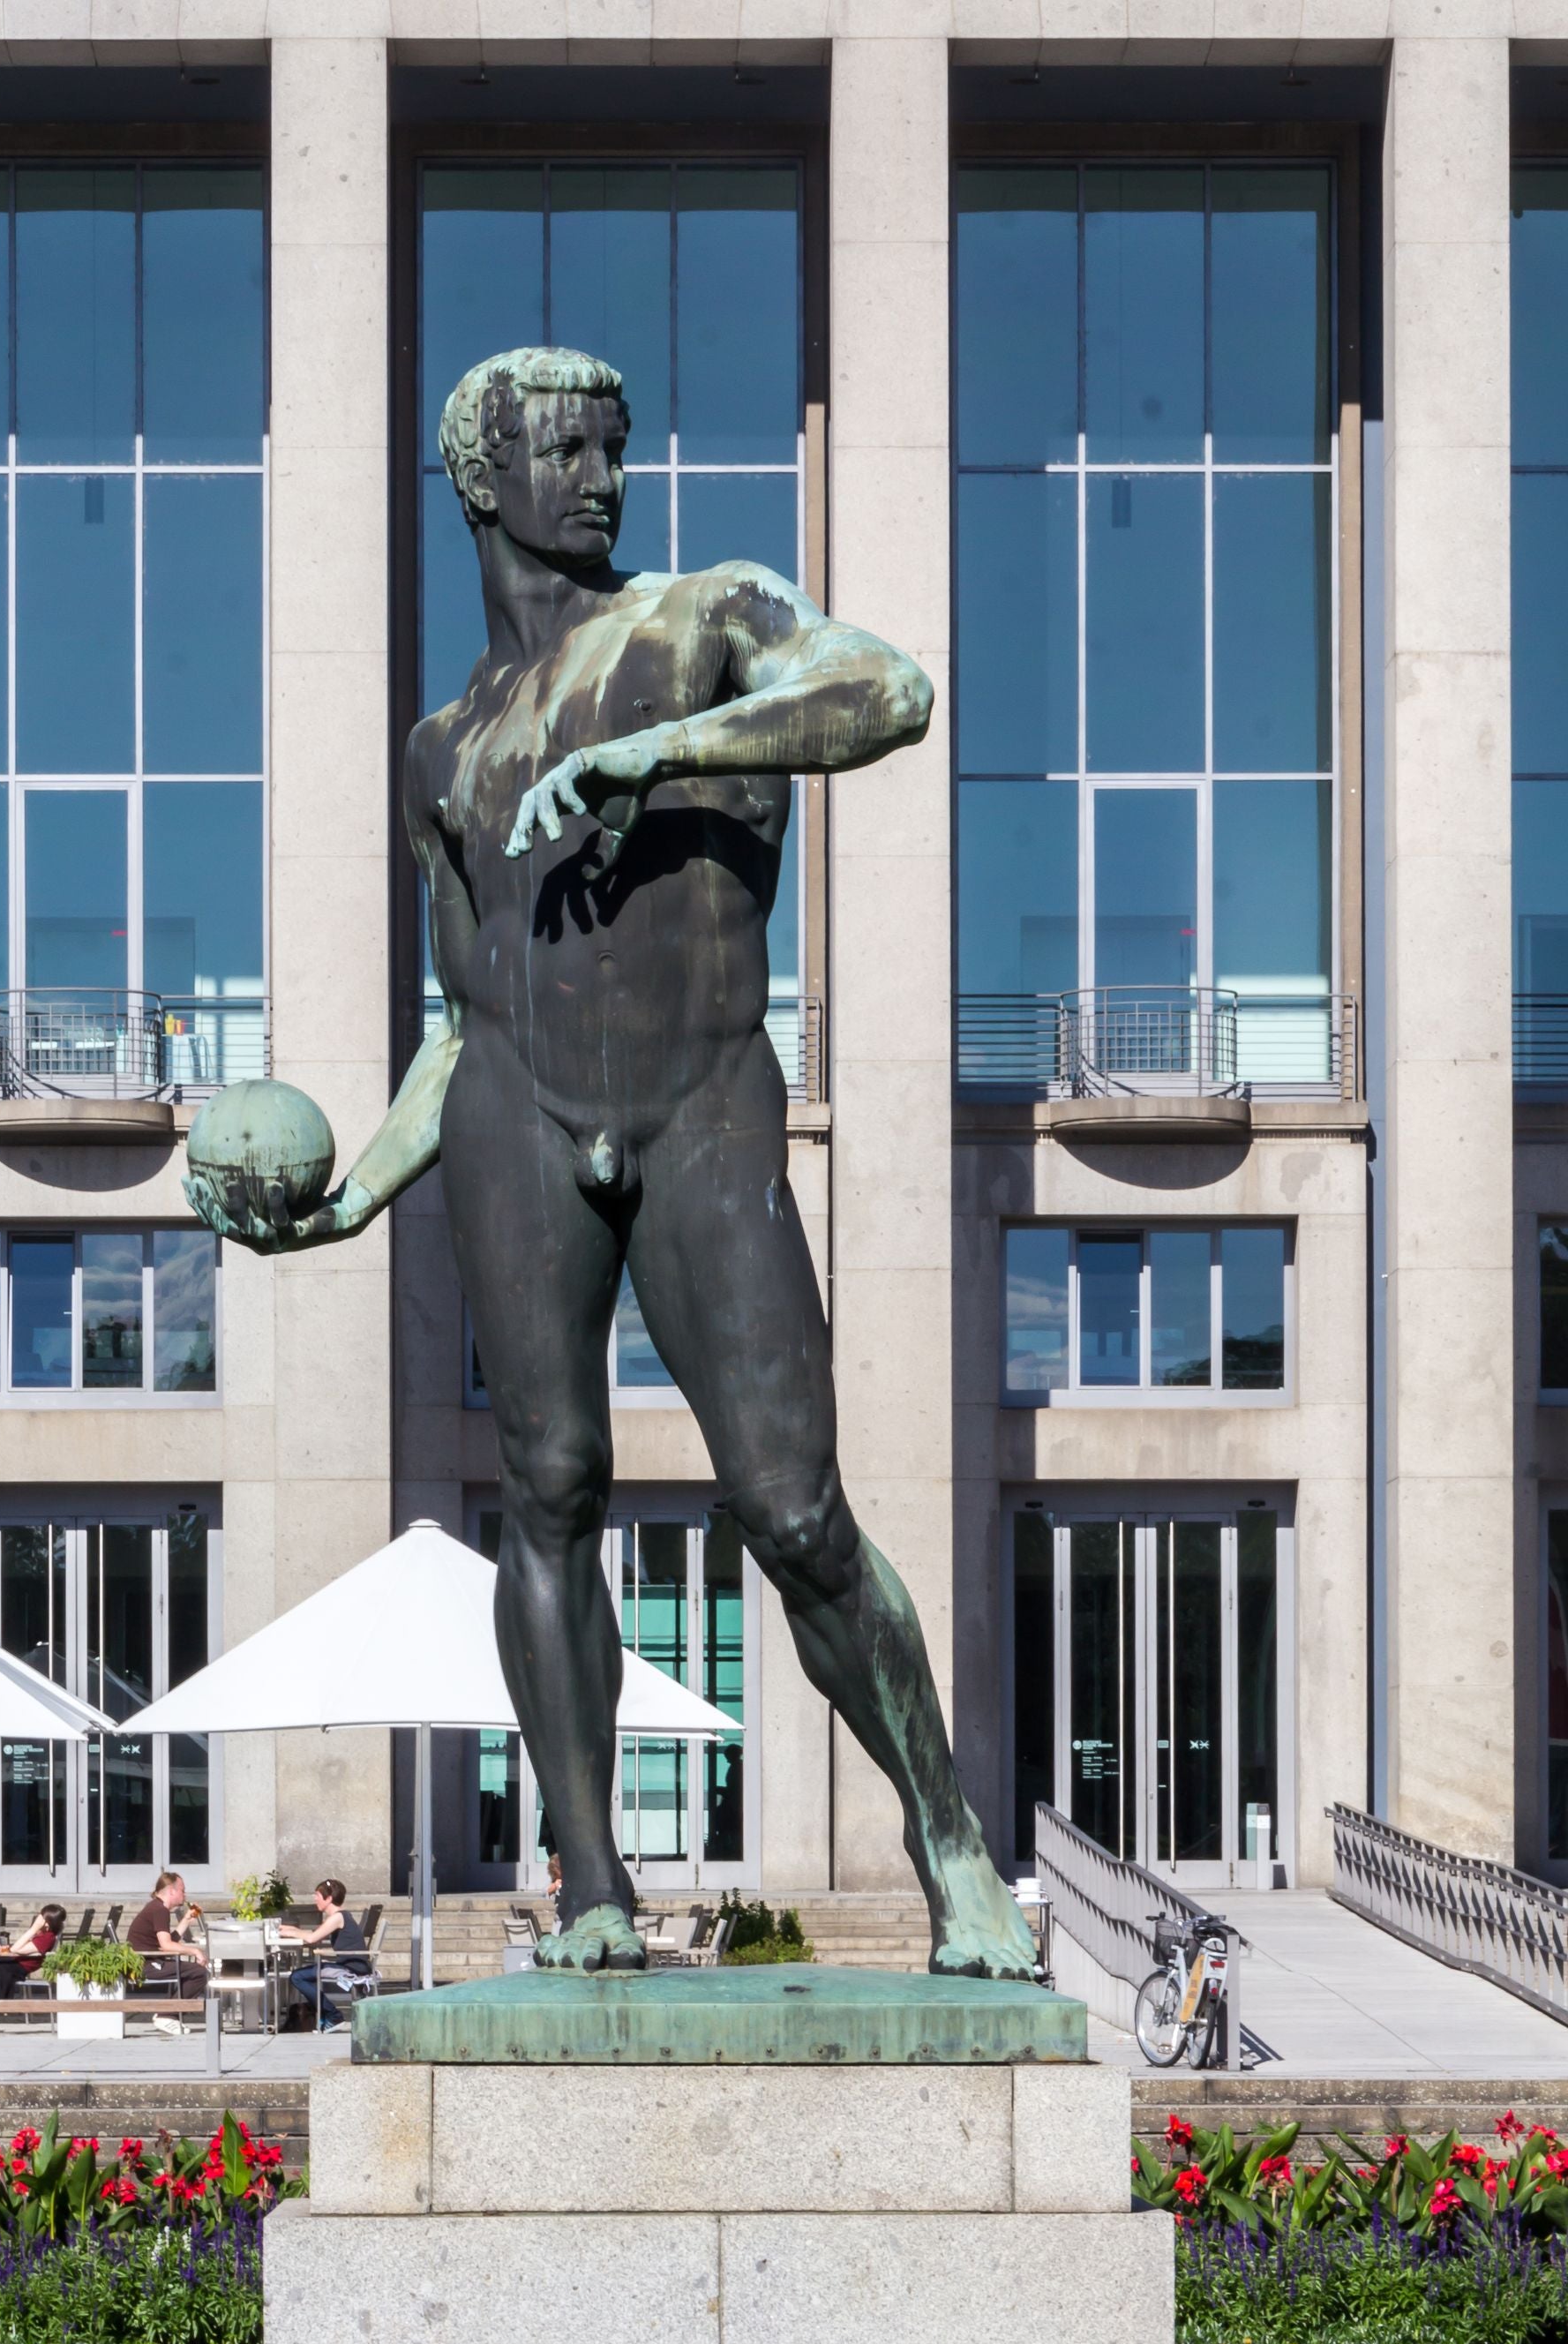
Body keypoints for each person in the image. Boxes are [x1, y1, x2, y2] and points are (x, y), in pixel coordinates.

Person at [186, 343, 1039, 1984]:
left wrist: (657, 754)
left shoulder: (702, 617)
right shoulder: (445, 749)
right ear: (481, 480)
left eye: (611, 448)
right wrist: (348, 1197)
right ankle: (590, 1884)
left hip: (700, 1106)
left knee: (790, 1510)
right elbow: (462, 1011)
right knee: (549, 1492)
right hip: (513, 1116)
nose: (600, 478)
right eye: (564, 452)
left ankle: (949, 1847)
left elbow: (890, 689)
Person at [279, 1880, 374, 2029]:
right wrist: (289, 1930)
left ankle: (333, 2015)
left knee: (297, 1977)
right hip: (352, 1965)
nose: (314, 1898)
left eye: (317, 1895)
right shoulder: (340, 1916)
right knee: (300, 1976)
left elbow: (311, 1939)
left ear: (329, 1899)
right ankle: (324, 2014)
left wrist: (289, 1933)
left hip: (351, 1969)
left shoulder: (337, 1918)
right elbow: (315, 1934)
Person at [125, 1870, 206, 2036]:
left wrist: (186, 1920)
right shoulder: (159, 1910)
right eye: (182, 1890)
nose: (185, 1894)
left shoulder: (156, 1907)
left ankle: (169, 2013)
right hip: (145, 1964)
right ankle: (167, 2014)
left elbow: (166, 1943)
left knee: (197, 1971)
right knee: (200, 1972)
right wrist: (195, 1950)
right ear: (172, 1891)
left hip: (149, 1960)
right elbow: (166, 1945)